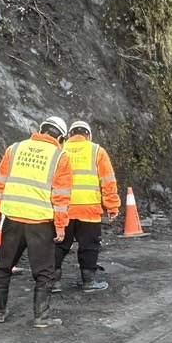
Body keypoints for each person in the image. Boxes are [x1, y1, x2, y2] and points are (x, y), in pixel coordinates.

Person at [0, 115, 74, 327]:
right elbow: (61, 197)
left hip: (13, 218)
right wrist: (61, 226)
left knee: (3, 267)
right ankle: (41, 317)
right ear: (61, 137)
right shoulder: (59, 157)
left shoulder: (14, 149)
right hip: (40, 222)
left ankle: (0, 313)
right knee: (44, 271)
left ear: (41, 129)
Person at [53, 119, 120, 293]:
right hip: (89, 210)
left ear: (69, 135)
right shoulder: (97, 151)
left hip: (63, 209)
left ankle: (54, 282)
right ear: (88, 135)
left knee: (59, 245)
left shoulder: (59, 150)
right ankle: (88, 281)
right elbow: (108, 182)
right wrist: (112, 207)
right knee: (89, 245)